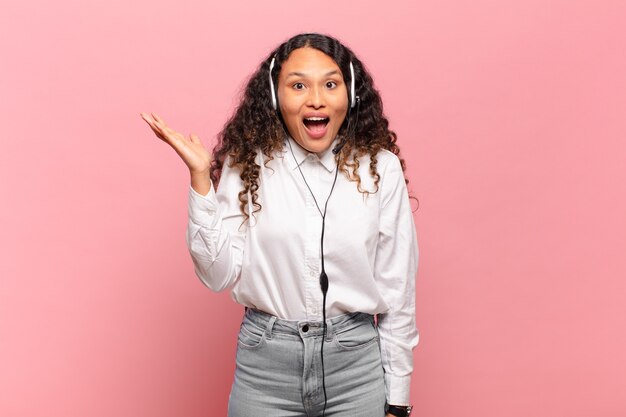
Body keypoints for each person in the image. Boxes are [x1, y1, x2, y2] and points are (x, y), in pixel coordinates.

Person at [140, 33, 419, 417]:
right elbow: (217, 275)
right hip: (265, 367)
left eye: (331, 84)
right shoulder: (247, 164)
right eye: (298, 85)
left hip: (355, 367)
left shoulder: (380, 168)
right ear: (275, 97)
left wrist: (398, 399)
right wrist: (202, 179)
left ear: (350, 95)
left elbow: (397, 289)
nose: (316, 98)